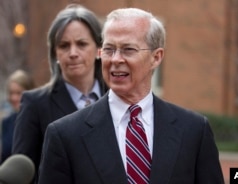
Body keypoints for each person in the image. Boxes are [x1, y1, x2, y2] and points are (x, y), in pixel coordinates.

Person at [38, 8, 224, 184]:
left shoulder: (194, 131)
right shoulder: (65, 135)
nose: (116, 59)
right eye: (109, 49)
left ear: (156, 57)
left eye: (128, 49)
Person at [12, 4, 108, 183]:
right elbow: (22, 173)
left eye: (81, 44)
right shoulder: (35, 105)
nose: (73, 53)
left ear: (98, 50)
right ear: (55, 53)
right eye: (64, 45)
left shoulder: (117, 99)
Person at [1, 69, 34, 163]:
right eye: (11, 93)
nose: (14, 98)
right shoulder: (7, 122)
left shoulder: (38, 120)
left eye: (19, 93)